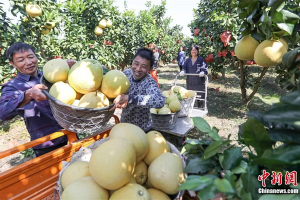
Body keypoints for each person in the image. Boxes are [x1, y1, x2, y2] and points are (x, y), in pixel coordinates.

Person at [0, 42, 75, 157]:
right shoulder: (12, 86)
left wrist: (67, 70)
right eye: (21, 60)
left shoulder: (48, 76)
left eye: (31, 57)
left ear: (36, 56)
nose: (28, 62)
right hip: (47, 144)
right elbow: (3, 112)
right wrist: (28, 95)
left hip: (70, 134)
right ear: (12, 64)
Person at [111, 47, 165, 132]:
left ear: (150, 69)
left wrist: (129, 98)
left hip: (142, 130)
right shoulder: (126, 74)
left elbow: (160, 100)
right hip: (124, 125)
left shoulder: (149, 82)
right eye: (136, 64)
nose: (138, 69)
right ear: (132, 62)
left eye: (144, 66)